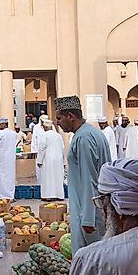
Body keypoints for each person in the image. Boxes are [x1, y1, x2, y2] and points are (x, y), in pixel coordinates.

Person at [55, 95, 111, 254]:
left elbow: (89, 179)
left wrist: (87, 217)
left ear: (70, 116)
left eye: (59, 118)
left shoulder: (84, 138)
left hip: (88, 210)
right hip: (95, 207)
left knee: (91, 257)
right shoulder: (91, 132)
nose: (58, 123)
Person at [37, 119, 65, 200]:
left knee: (48, 177)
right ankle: (59, 195)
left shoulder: (44, 135)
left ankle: (48, 196)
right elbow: (62, 148)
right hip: (58, 159)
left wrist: (39, 160)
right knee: (58, 177)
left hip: (48, 159)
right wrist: (63, 160)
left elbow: (42, 148)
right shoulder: (58, 135)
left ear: (45, 127)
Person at [0, 118, 17, 200]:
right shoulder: (13, 133)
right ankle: (10, 195)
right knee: (10, 177)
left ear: (5, 124)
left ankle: (0, 196)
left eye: (0, 124)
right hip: (11, 158)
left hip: (2, 158)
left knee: (0, 177)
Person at [31, 115, 47, 182]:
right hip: (38, 151)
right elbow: (34, 139)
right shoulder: (36, 127)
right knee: (39, 168)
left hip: (48, 151)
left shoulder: (51, 127)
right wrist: (34, 151)